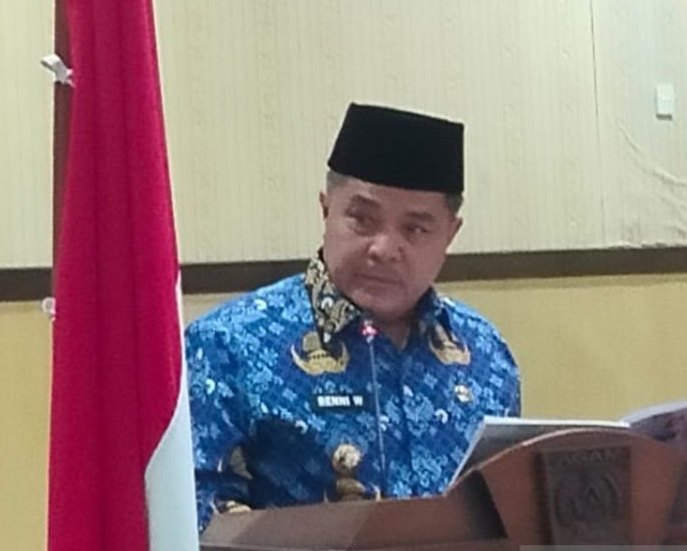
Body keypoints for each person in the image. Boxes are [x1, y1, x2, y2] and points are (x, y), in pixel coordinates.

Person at [186, 103, 521, 532]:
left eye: (415, 229)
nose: (383, 249)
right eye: (362, 219)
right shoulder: (228, 345)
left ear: (450, 235)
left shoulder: (485, 353)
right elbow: (195, 514)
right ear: (326, 210)